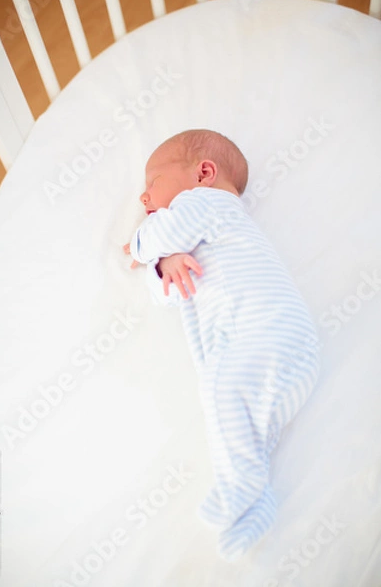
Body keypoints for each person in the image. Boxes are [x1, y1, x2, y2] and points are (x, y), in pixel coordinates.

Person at [123, 129, 320, 561]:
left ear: (204, 173)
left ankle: (242, 486)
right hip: (291, 348)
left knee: (218, 388)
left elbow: (149, 242)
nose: (143, 198)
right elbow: (167, 290)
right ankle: (255, 494)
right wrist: (166, 262)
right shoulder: (213, 226)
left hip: (262, 333)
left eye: (152, 182)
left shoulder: (205, 203)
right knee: (245, 425)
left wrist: (143, 248)